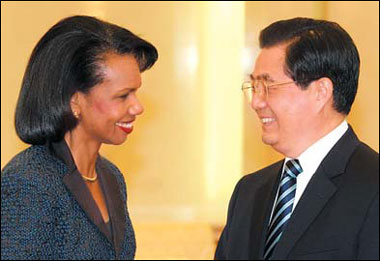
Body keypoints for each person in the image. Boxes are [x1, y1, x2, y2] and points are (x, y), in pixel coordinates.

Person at [215, 17, 379, 260]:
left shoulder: (372, 187)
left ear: (320, 92)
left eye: (268, 86)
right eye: (254, 86)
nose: (256, 102)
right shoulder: (249, 192)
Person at [1, 15, 158, 260]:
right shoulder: (28, 181)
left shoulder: (111, 176)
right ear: (75, 101)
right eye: (123, 96)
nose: (138, 107)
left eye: (136, 93)